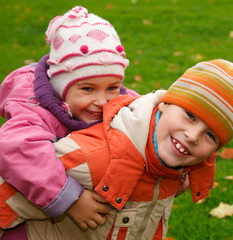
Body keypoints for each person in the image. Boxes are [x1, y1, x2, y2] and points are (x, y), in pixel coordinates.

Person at [1, 59, 233, 239]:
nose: (192, 136)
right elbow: (8, 192)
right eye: (190, 116)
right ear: (166, 103)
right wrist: (69, 200)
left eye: (210, 135)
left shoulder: (175, 168)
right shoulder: (95, 157)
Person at [0, 6, 138, 238]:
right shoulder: (34, 107)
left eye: (112, 87)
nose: (103, 101)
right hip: (21, 212)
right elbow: (17, 147)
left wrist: (180, 166)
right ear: (61, 86)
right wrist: (70, 199)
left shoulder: (122, 101)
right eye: (87, 89)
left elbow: (151, 118)